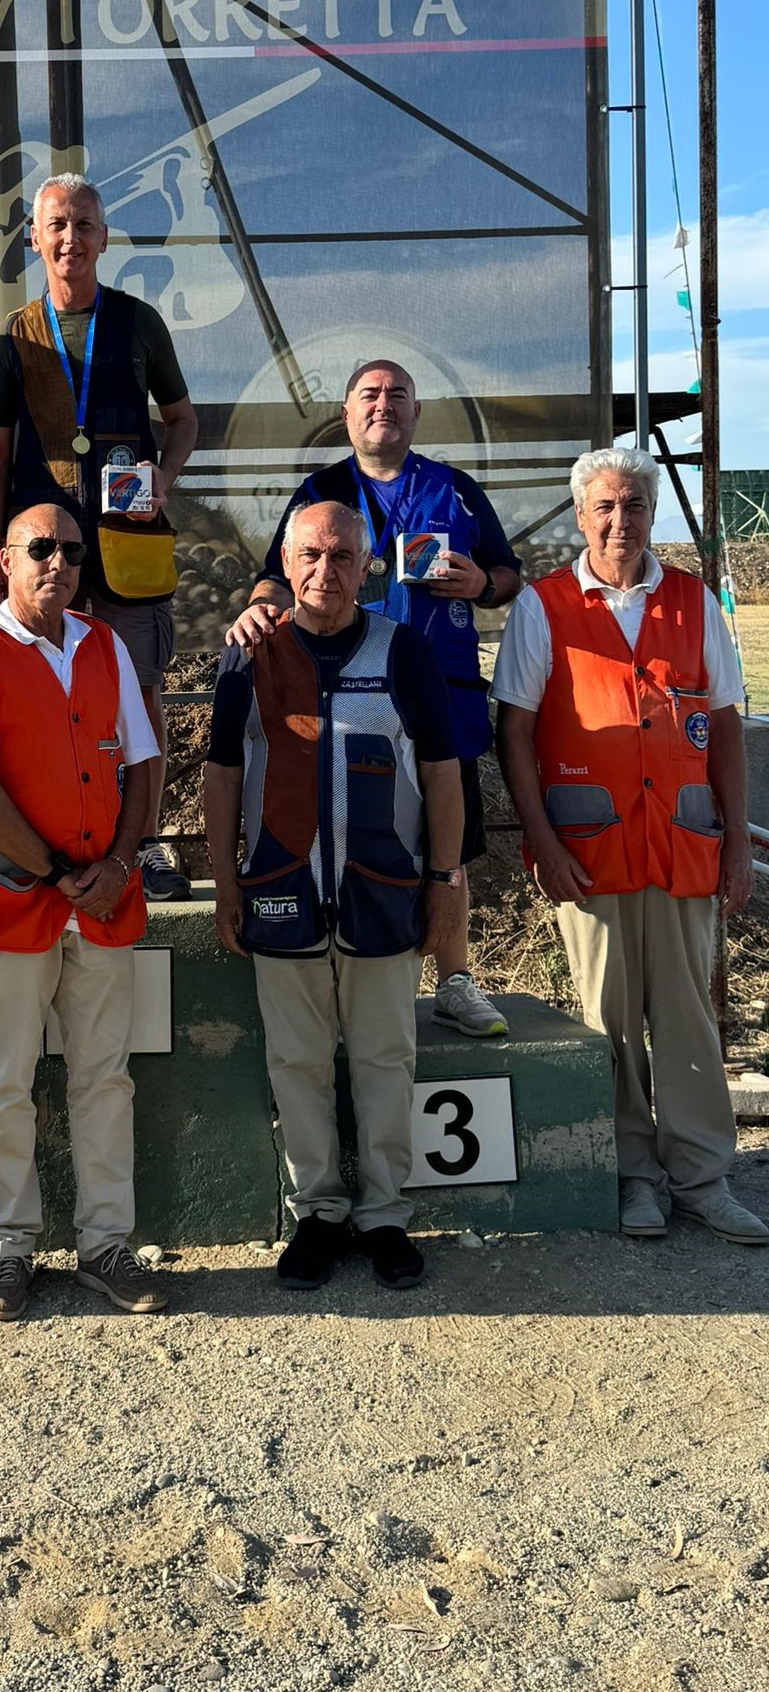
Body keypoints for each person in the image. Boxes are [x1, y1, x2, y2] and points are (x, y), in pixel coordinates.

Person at [494, 446, 766, 1246]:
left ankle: (702, 1178)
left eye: (634, 506)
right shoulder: (542, 606)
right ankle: (630, 1175)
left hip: (681, 848)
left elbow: (723, 727)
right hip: (588, 854)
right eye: (605, 507)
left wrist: (734, 844)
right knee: (606, 1021)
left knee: (687, 1018)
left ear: (652, 515)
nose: (620, 521)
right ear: (581, 516)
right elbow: (514, 733)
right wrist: (541, 841)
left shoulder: (691, 601)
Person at [205, 501, 466, 1293]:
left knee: (386, 1059)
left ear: (367, 567)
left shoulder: (403, 650)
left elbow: (442, 774)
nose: (326, 571)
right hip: (279, 888)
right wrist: (225, 885)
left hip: (382, 893)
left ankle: (384, 1215)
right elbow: (221, 777)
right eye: (311, 555)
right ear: (285, 565)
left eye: (343, 556)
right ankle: (317, 1212)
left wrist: (444, 882)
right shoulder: (249, 654)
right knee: (296, 1062)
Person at [227, 356, 520, 1039]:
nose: (383, 404)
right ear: (347, 412)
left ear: (416, 412)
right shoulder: (320, 490)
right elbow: (276, 576)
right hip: (340, 695)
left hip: (439, 692)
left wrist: (481, 583)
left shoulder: (454, 488)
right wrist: (258, 608)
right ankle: (341, 978)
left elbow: (509, 575)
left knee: (447, 843)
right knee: (344, 830)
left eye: (397, 394)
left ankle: (454, 979)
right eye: (369, 393)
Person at [0, 500, 167, 1322]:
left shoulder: (103, 643)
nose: (57, 562)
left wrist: (121, 864)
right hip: (11, 906)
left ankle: (106, 1247)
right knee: (5, 1083)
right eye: (39, 548)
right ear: (5, 560)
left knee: (105, 1079)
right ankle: (11, 1249)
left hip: (101, 902)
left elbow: (143, 761)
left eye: (70, 549)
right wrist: (62, 874)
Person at [0, 174, 200, 903]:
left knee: (138, 696)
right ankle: (54, 843)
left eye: (83, 224)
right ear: (34, 239)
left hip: (129, 547)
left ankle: (147, 845)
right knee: (42, 699)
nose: (70, 237)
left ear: (103, 238)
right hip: (47, 556)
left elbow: (183, 421)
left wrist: (163, 477)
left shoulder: (138, 323)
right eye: (57, 224)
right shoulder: (12, 338)